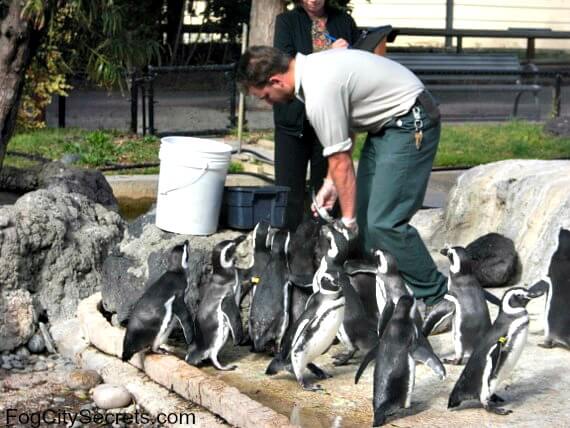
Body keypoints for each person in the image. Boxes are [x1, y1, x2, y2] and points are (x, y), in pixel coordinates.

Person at [236, 46, 448, 305]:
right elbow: (343, 130)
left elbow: (342, 162)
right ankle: (383, 287)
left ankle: (438, 297)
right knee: (367, 219)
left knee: (385, 222)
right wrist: (330, 184)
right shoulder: (312, 71)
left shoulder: (318, 89)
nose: (269, 103)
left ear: (276, 80)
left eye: (266, 97)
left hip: (410, 121)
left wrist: (347, 222)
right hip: (385, 125)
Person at [273, 0, 361, 231]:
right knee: (288, 191)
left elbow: (359, 60)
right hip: (293, 118)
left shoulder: (343, 20)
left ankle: (325, 243)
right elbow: (285, 63)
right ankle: (287, 245)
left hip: (330, 117)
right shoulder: (287, 21)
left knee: (327, 187)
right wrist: (328, 55)